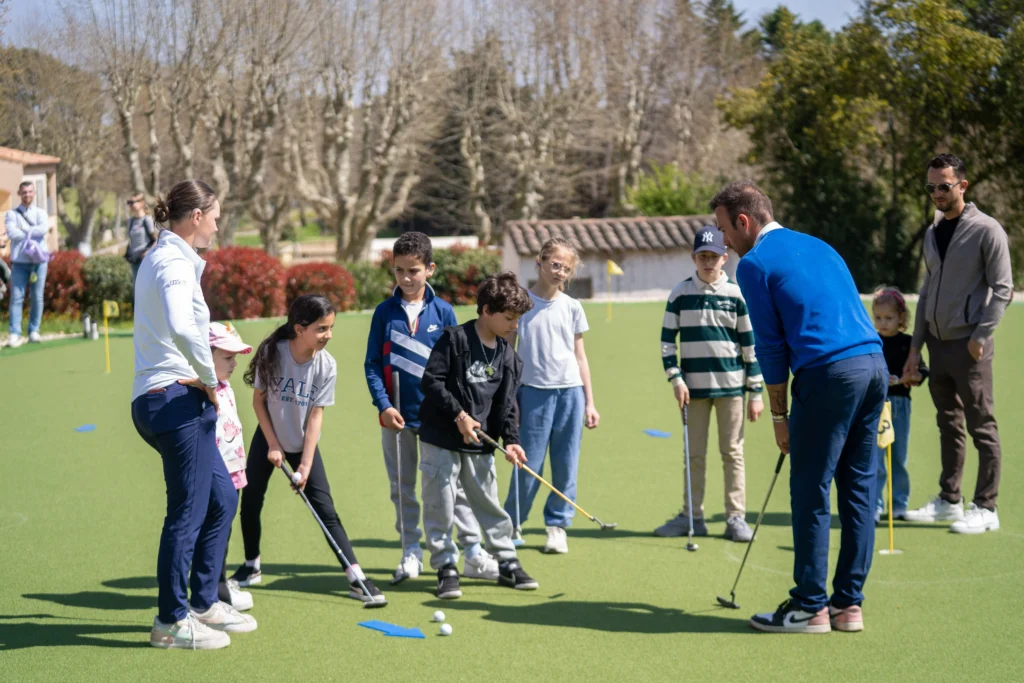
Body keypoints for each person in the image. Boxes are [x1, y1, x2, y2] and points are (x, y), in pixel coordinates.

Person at [712, 180, 887, 634]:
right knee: (858, 490)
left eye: (724, 229)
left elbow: (770, 348)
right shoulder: (819, 244)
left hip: (829, 374)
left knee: (811, 489)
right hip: (873, 368)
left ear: (744, 221)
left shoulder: (753, 264)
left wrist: (778, 416)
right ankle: (848, 606)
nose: (723, 241)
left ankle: (809, 606)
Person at [131, 179, 256, 651]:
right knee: (187, 512)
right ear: (197, 216)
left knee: (222, 498)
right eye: (216, 215)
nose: (219, 224)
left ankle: (203, 602)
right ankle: (170, 620)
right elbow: (185, 327)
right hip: (175, 399)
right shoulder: (172, 261)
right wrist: (209, 378)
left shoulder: (168, 258)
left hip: (168, 397)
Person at [231, 294, 386, 605]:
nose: (328, 335)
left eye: (330, 328)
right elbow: (258, 401)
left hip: (303, 443)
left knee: (325, 510)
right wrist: (273, 444)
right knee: (249, 501)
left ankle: (355, 576)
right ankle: (251, 566)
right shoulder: (272, 352)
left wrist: (304, 464)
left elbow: (316, 415)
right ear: (299, 329)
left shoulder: (326, 365)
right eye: (321, 328)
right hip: (269, 436)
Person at [364, 231, 499, 583]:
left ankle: (471, 552)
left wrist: (459, 412)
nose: (406, 278)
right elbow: (372, 365)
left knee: (453, 489)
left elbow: (457, 368)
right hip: (396, 419)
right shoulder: (383, 313)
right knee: (402, 488)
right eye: (399, 271)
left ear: (430, 269)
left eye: (414, 270)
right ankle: (411, 552)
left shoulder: (444, 311)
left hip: (438, 422)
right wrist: (382, 405)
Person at [902, 154, 1012, 534]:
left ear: (962, 186)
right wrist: (916, 347)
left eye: (944, 186)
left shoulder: (987, 230)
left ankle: (986, 506)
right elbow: (928, 287)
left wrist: (981, 335)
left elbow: (1003, 289)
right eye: (931, 187)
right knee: (948, 424)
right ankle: (950, 501)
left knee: (982, 426)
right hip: (937, 342)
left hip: (970, 345)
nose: (936, 193)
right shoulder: (933, 232)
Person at [419, 272, 539, 599]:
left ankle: (507, 561)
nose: (515, 325)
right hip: (440, 438)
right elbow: (431, 382)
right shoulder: (454, 340)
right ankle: (446, 567)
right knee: (439, 504)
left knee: (488, 503)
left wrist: (511, 440)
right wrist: (459, 415)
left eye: (518, 319)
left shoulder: (509, 358)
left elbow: (507, 405)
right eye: (510, 318)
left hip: (480, 445)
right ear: (486, 311)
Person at [655, 226, 763, 542]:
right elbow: (666, 343)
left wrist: (756, 392)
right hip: (693, 390)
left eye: (713, 257)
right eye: (702, 256)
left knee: (732, 453)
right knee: (695, 455)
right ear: (693, 258)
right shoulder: (679, 293)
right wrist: (675, 379)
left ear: (724, 258)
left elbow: (750, 346)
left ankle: (735, 518)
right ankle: (693, 516)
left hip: (732, 387)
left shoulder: (737, 294)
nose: (708, 262)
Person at [503, 237, 599, 555]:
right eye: (555, 264)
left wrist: (590, 401)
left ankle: (557, 526)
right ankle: (511, 523)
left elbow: (581, 356)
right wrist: (508, 398)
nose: (559, 272)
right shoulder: (522, 305)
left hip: (570, 393)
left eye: (566, 268)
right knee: (528, 462)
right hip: (531, 393)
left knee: (566, 463)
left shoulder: (573, 307)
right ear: (540, 263)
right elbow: (510, 355)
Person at [207, 321, 256, 611]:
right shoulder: (202, 392)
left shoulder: (224, 387)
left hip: (233, 469)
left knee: (224, 528)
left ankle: (218, 581)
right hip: (216, 472)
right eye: (227, 358)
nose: (235, 363)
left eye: (235, 357)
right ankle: (214, 588)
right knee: (213, 529)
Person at [871, 287, 928, 523]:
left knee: (897, 459)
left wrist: (909, 378)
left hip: (900, 406)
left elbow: (922, 372)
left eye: (889, 318)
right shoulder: (872, 342)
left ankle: (899, 504)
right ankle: (873, 505)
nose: (883, 323)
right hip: (876, 406)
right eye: (878, 318)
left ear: (901, 318)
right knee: (875, 460)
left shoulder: (908, 345)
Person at [5, 181, 50, 347]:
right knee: (17, 297)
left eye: (30, 192)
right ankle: (14, 333)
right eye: (24, 192)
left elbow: (44, 229)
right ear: (19, 193)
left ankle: (34, 331)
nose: (27, 195)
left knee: (37, 297)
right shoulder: (12, 214)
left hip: (39, 261)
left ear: (34, 193)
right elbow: (12, 233)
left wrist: (24, 230)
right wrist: (32, 232)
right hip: (19, 262)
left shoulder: (41, 213)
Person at [125, 193, 158, 287]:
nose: (130, 205)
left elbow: (156, 240)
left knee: (145, 287)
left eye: (132, 202)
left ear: (142, 203)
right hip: (134, 260)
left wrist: (147, 252)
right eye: (129, 202)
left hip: (145, 261)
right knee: (136, 288)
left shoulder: (147, 220)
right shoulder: (131, 221)